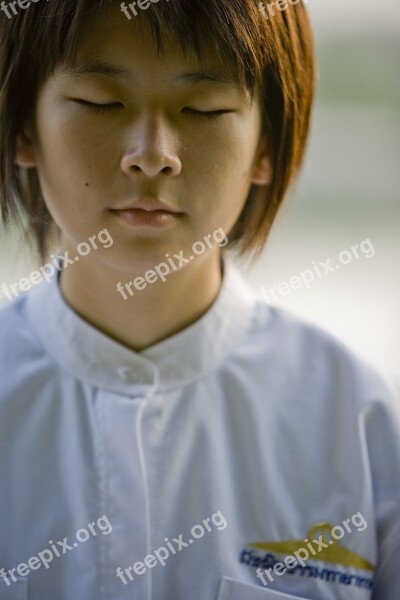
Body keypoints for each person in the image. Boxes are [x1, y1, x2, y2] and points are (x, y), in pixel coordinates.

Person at [0, 1, 399, 598]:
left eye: (204, 109)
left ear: (266, 145)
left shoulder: (356, 420)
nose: (152, 153)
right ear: (25, 128)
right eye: (101, 103)